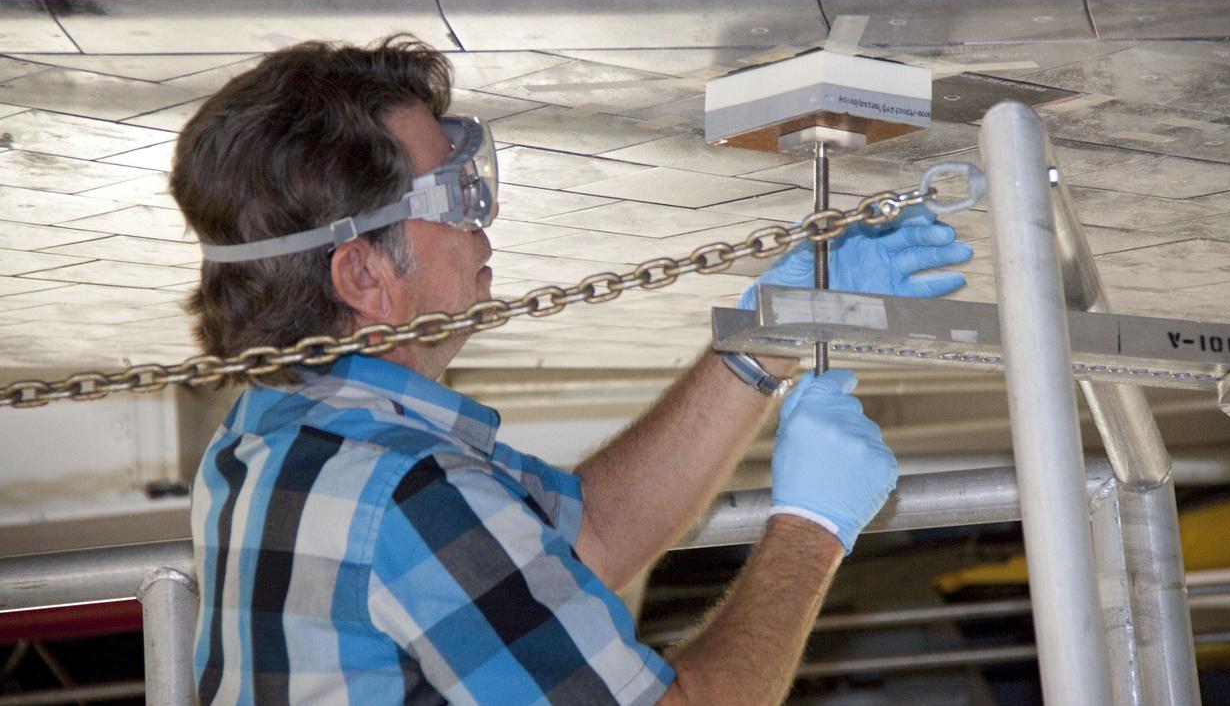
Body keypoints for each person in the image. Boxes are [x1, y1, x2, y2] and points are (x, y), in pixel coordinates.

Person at [170, 35, 972, 705]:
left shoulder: (272, 437)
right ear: (363, 277)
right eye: (453, 197)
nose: (481, 226)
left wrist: (761, 343)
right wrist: (812, 529)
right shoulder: (402, 491)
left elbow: (584, 540)